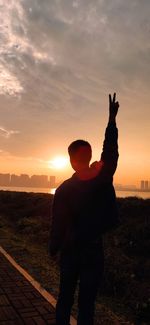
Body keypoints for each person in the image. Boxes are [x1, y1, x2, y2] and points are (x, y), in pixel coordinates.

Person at [49, 93, 119, 325]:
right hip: (92, 250)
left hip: (70, 252)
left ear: (70, 161)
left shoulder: (63, 189)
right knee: (87, 304)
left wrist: (53, 249)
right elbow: (110, 152)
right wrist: (111, 120)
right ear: (89, 157)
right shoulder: (102, 178)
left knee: (65, 299)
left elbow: (57, 224)